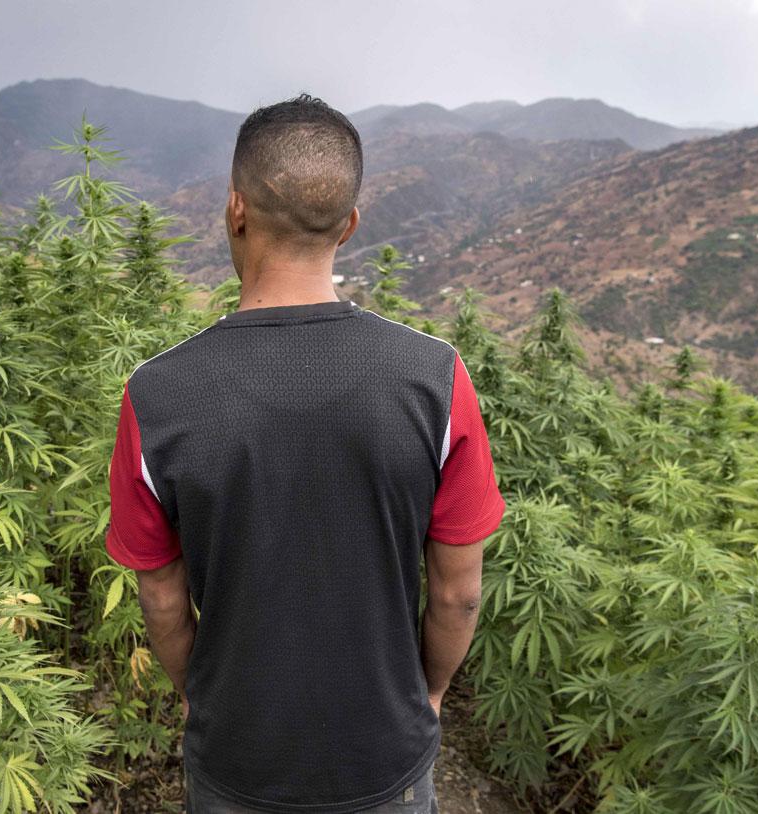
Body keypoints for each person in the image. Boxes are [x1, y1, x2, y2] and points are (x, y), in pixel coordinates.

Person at [106, 93, 506, 813]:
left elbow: (163, 599)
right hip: (384, 757)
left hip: (238, 758)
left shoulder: (156, 395)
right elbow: (457, 592)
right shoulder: (435, 378)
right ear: (350, 225)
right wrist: (431, 694)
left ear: (235, 210)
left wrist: (201, 700)